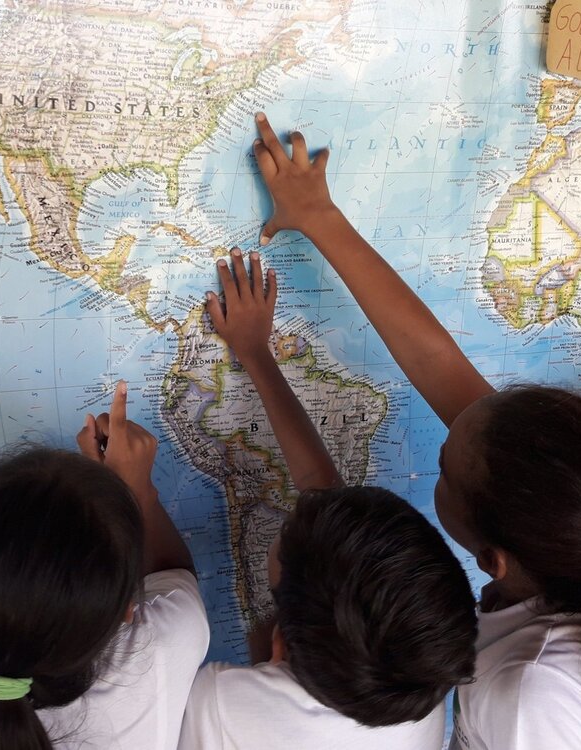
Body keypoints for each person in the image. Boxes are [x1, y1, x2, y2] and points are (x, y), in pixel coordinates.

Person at [250, 111, 581, 749]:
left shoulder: (531, 704)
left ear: (492, 561)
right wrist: (319, 216)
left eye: (444, 468)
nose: (454, 425)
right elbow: (441, 369)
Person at [178, 248, 478, 750]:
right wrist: (256, 352)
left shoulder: (220, 707)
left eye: (287, 532)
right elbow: (325, 495)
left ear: (278, 645)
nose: (303, 506)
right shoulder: (410, 689)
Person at [0, 383, 209, 749]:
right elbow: (175, 574)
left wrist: (112, 504)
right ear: (128, 608)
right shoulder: (162, 646)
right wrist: (137, 492)